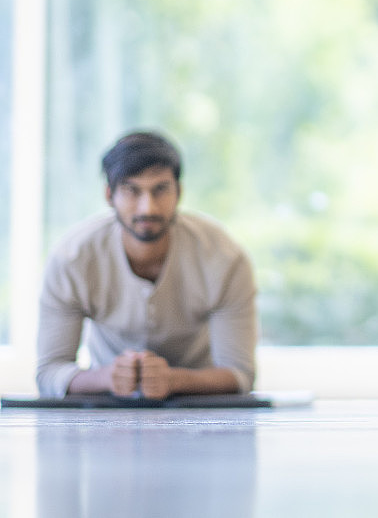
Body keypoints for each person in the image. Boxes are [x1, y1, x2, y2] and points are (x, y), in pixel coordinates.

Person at [36, 131, 258, 399]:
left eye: (160, 189)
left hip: (201, 406)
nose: (147, 207)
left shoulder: (225, 259)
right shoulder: (71, 259)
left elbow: (241, 374)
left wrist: (175, 380)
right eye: (131, 190)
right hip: (106, 407)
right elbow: (49, 373)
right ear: (110, 196)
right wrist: (106, 377)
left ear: (179, 192)